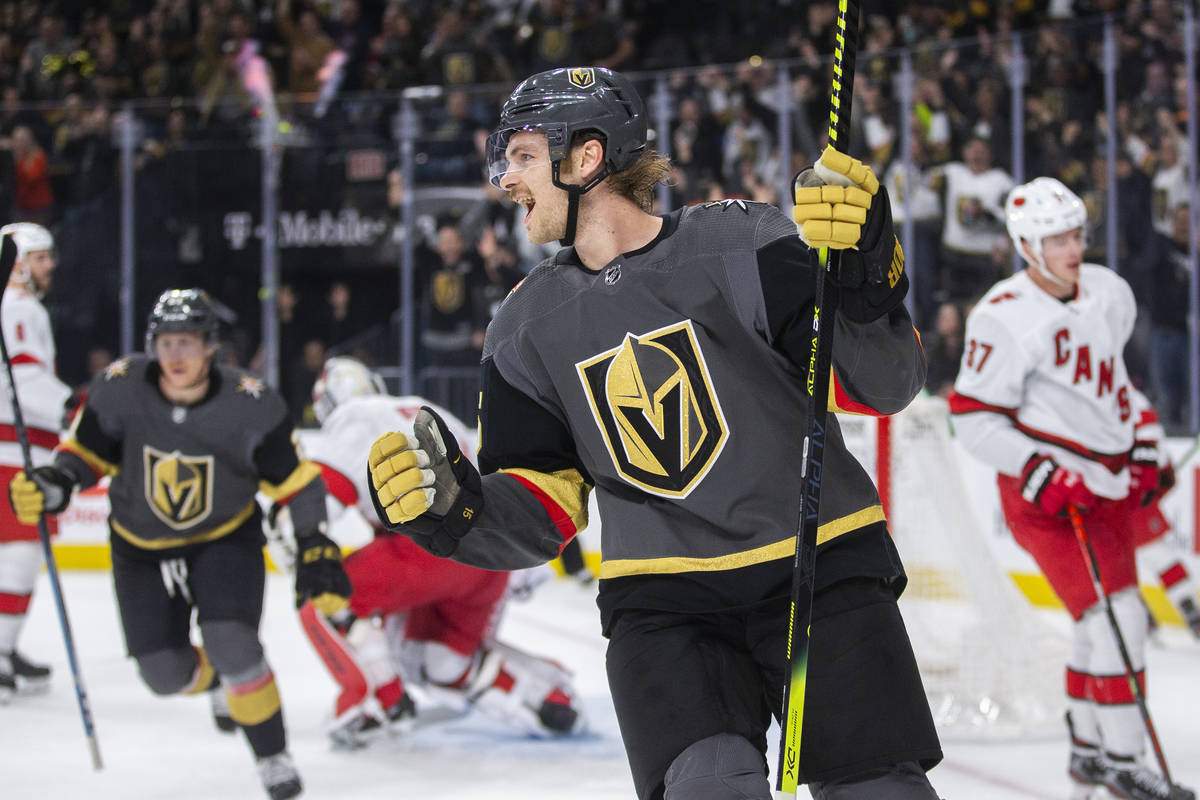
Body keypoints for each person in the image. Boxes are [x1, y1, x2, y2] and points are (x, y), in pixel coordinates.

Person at [365, 66, 942, 799]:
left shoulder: (746, 245)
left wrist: (865, 270)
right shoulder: (521, 328)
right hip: (666, 608)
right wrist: (455, 512)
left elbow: (881, 383)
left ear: (586, 157)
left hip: (819, 571)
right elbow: (544, 509)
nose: (503, 177)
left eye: (521, 155)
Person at [7, 288, 351, 800]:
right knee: (164, 675)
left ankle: (272, 755)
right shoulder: (120, 388)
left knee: (233, 645)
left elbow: (297, 482)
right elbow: (85, 456)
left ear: (210, 346)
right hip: (138, 547)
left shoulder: (250, 403)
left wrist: (314, 541)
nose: (175, 355)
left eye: (186, 343)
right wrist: (55, 482)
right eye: (165, 343)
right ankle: (219, 680)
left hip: (223, 538)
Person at [949, 177, 1196, 800]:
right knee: (1121, 617)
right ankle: (1122, 760)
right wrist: (1040, 472)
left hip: (1105, 488)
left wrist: (1143, 443)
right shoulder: (1001, 319)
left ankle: (1087, 752)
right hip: (1049, 503)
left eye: (1076, 233)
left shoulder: (1109, 292)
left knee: (1100, 625)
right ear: (1027, 245)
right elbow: (972, 418)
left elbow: (1115, 384)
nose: (1072, 246)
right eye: (1057, 237)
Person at [295, 356, 586, 748]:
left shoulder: (354, 417)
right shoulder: (421, 407)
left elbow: (316, 506)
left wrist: (294, 529)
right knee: (439, 661)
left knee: (320, 593)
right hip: (488, 554)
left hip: (425, 550)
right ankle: (549, 696)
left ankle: (377, 701)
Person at [0, 223, 71, 701]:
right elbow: (25, 380)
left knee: (19, 555)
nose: (51, 266)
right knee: (20, 554)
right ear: (20, 261)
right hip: (10, 448)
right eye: (42, 257)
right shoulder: (19, 307)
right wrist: (77, 405)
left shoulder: (24, 308)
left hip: (24, 445)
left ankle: (6, 646)